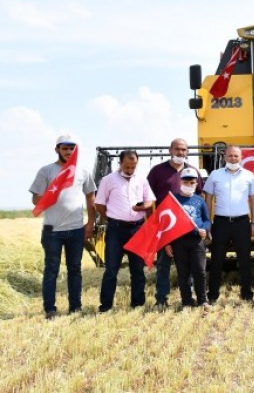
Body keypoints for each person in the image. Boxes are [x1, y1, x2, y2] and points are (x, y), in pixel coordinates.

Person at [29, 135, 96, 319]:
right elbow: (35, 200)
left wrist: (90, 223)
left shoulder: (82, 171)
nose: (68, 151)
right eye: (65, 148)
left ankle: (76, 307)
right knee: (52, 270)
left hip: (75, 230)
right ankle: (50, 309)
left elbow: (91, 198)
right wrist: (53, 189)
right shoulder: (46, 171)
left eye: (72, 148)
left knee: (75, 269)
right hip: (52, 231)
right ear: (57, 149)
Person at [146, 138, 203, 309]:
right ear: (170, 150)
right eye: (177, 149)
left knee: (190, 266)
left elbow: (200, 196)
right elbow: (148, 198)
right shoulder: (157, 171)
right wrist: (151, 223)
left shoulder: (193, 171)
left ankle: (189, 298)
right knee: (163, 264)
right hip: (165, 226)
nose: (181, 152)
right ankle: (161, 299)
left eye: (184, 149)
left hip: (187, 227)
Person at [95, 150, 155, 312]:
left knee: (137, 270)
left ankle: (137, 304)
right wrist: (110, 218)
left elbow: (149, 200)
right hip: (115, 230)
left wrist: (144, 206)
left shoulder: (142, 180)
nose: (130, 169)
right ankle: (106, 306)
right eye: (127, 166)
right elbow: (99, 204)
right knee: (111, 270)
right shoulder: (108, 180)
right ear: (120, 163)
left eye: (133, 166)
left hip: (137, 228)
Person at [204, 145, 254, 304]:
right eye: (230, 156)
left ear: (241, 157)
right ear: (224, 157)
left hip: (242, 222)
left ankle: (247, 295)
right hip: (220, 223)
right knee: (216, 260)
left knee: (245, 260)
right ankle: (212, 295)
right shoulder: (215, 175)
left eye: (236, 156)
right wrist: (208, 222)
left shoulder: (249, 175)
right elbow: (208, 199)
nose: (233, 159)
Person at [167, 167, 211, 309]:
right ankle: (186, 301)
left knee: (200, 271)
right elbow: (166, 224)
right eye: (186, 182)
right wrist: (167, 243)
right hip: (179, 241)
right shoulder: (173, 200)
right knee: (183, 273)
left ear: (197, 183)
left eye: (192, 182)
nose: (189, 185)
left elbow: (206, 219)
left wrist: (205, 228)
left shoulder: (199, 200)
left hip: (196, 240)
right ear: (180, 182)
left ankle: (202, 300)